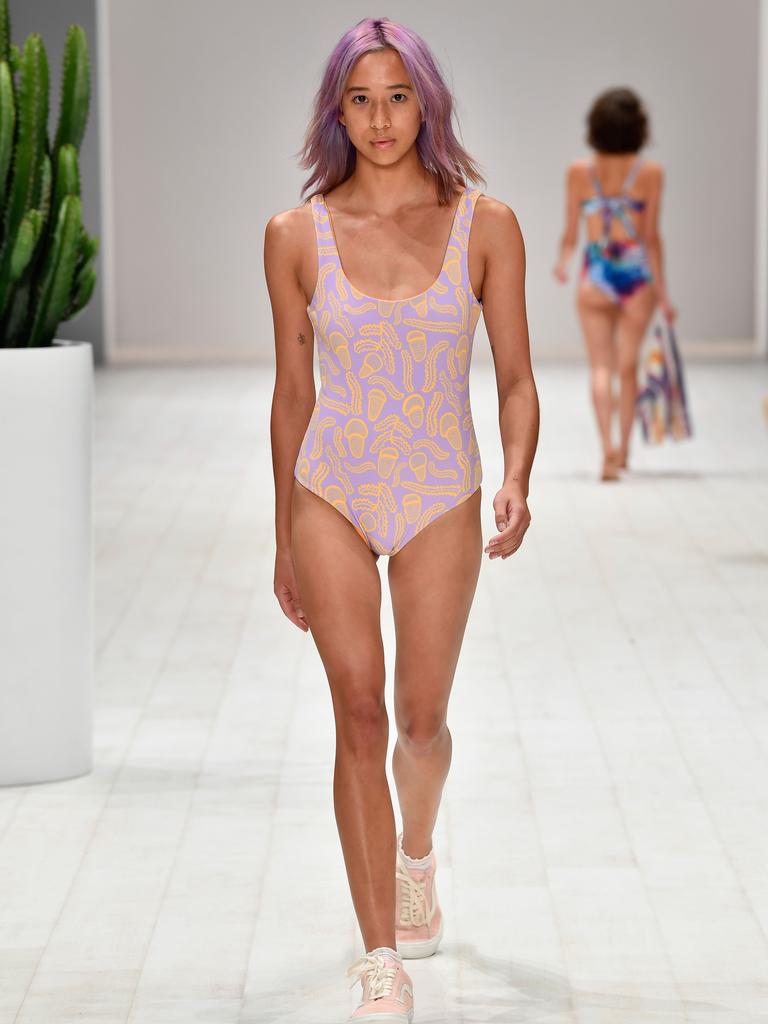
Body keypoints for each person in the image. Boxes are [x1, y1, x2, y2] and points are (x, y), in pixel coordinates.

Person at [264, 17, 538, 1022]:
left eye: (398, 97)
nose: (380, 120)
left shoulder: (486, 224)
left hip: (441, 493)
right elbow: (293, 396)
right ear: (336, 111)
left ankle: (416, 851)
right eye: (359, 100)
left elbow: (514, 378)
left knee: (421, 725)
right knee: (360, 713)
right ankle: (381, 956)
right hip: (330, 488)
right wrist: (282, 529)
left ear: (428, 101)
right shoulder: (294, 236)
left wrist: (518, 475)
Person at [553, 87, 677, 481]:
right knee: (628, 368)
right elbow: (652, 237)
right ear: (639, 127)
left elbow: (571, 233)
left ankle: (605, 448)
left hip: (595, 274)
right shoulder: (650, 173)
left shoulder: (579, 172)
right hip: (636, 277)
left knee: (600, 367)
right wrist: (664, 292)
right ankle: (624, 451)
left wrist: (562, 263)